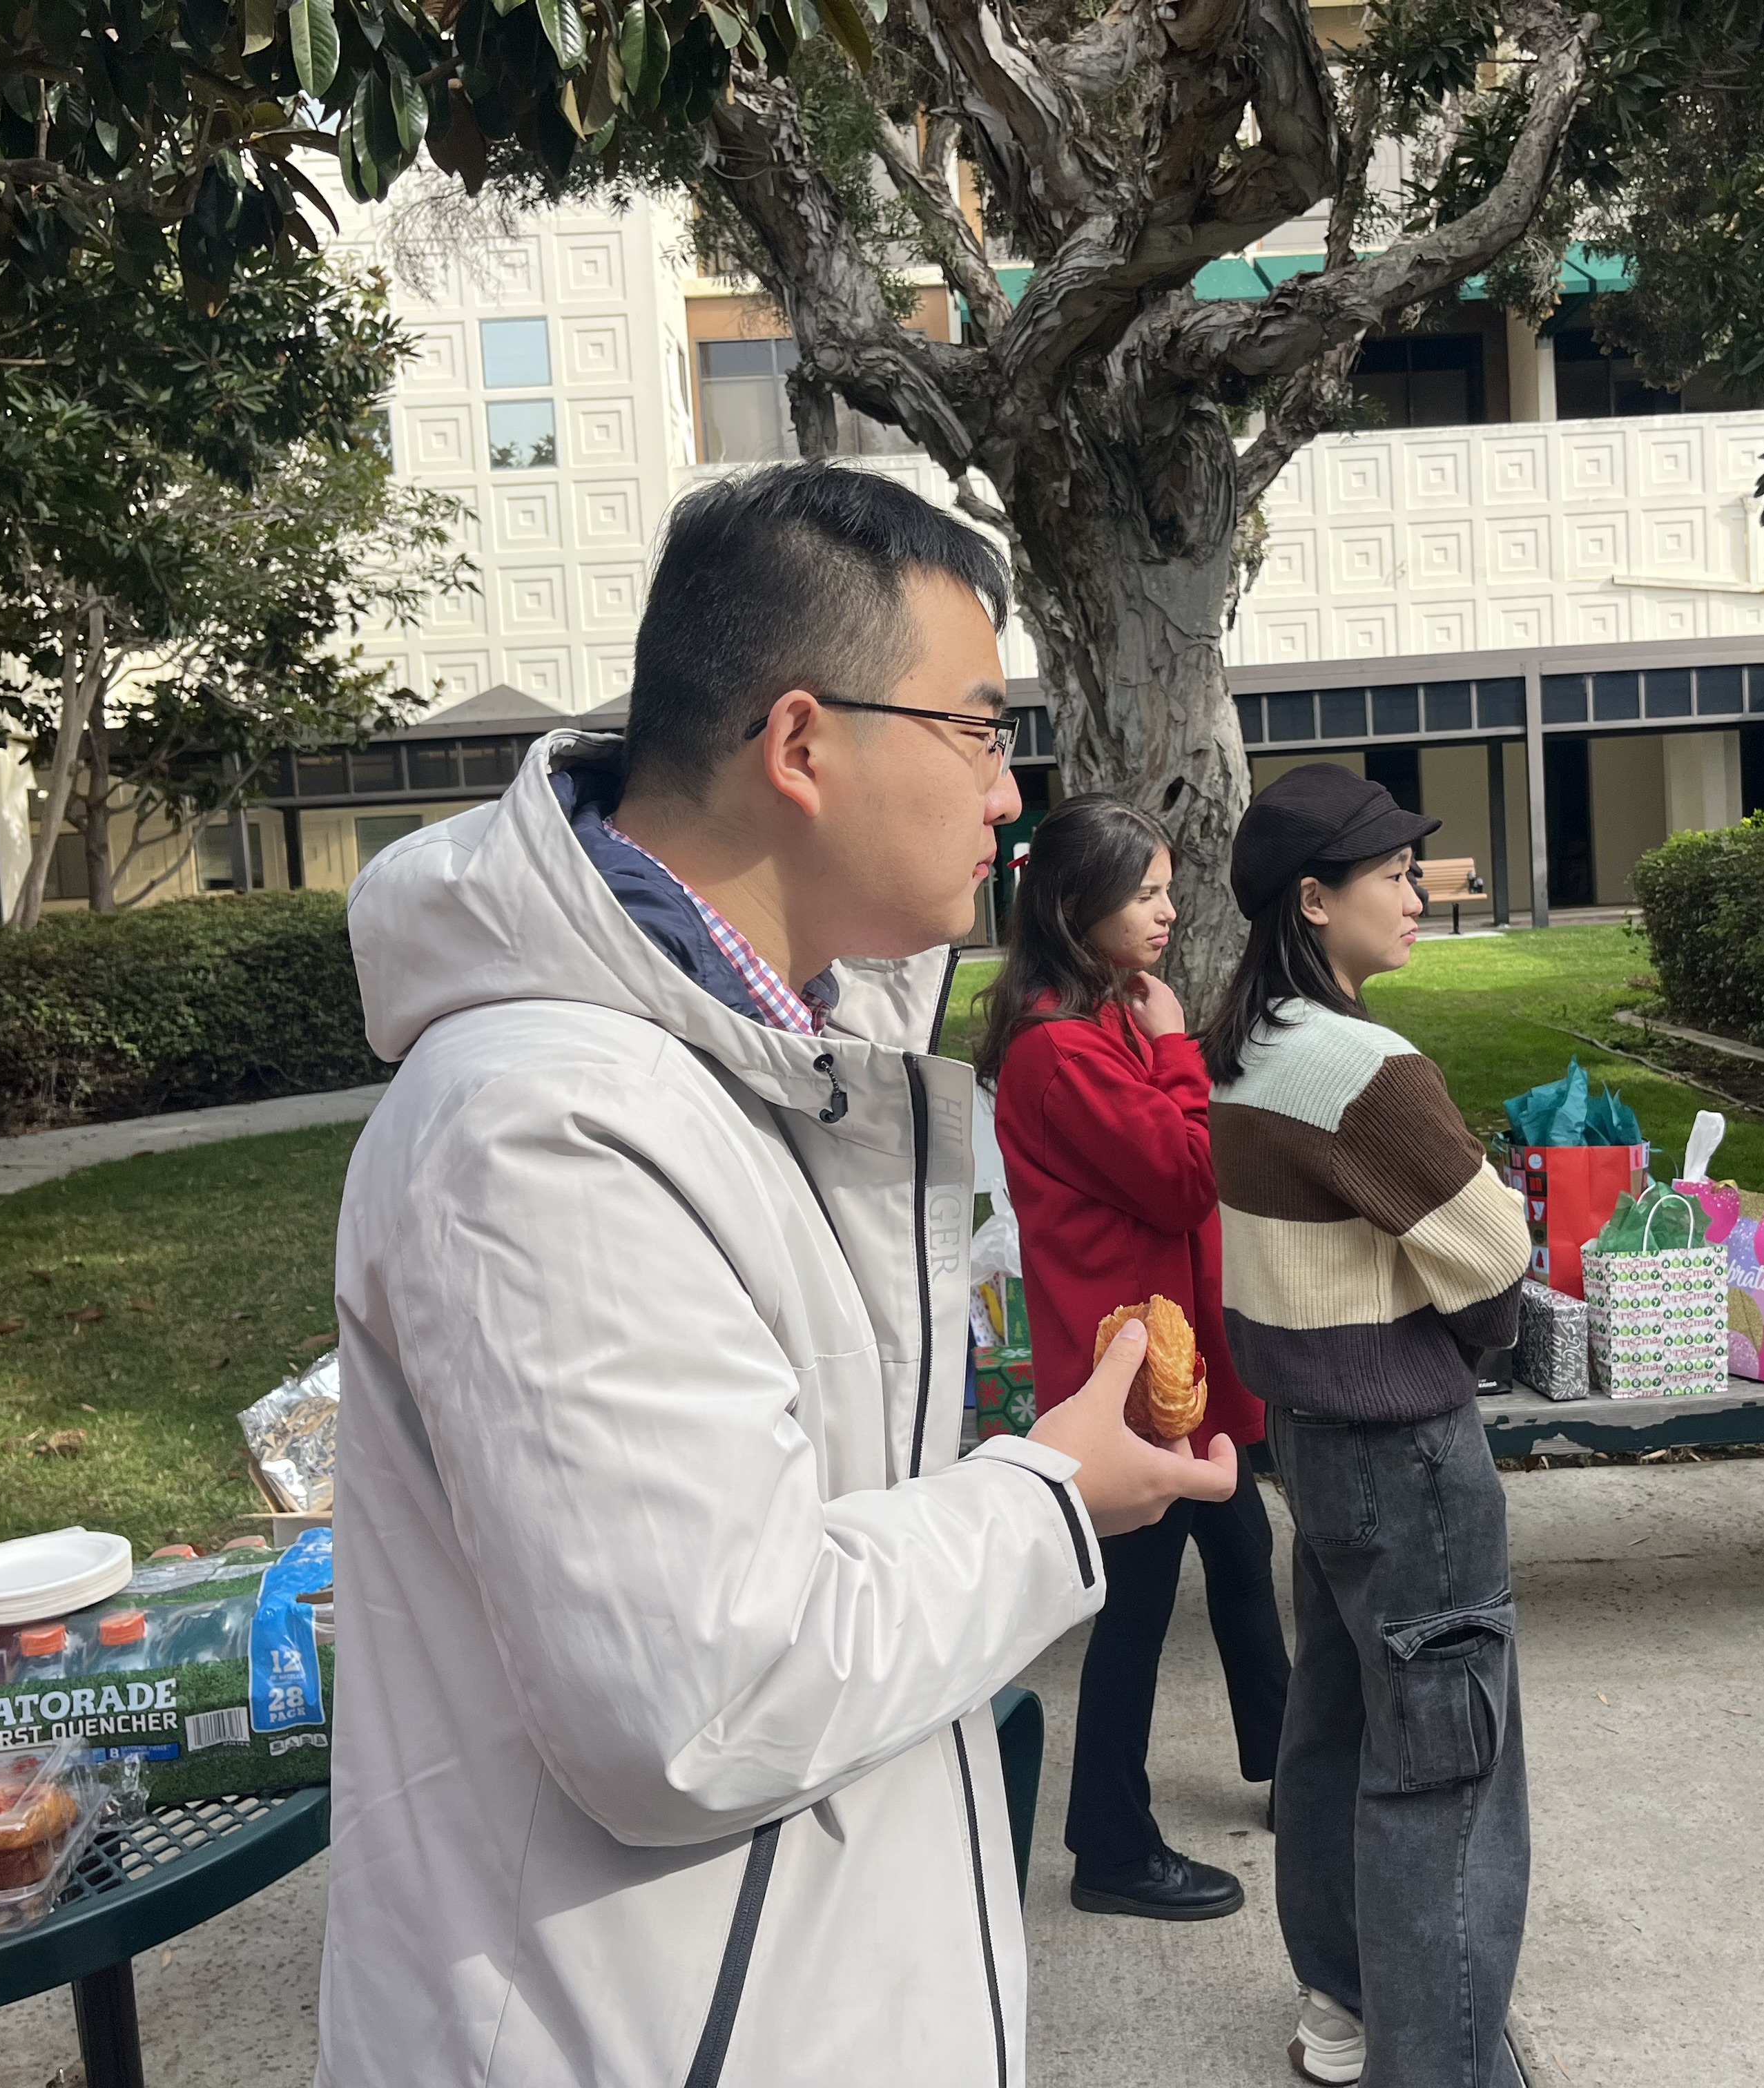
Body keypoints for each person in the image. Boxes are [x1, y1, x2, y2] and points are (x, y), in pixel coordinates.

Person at [317, 461, 1239, 2088]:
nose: (1009, 798)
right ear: (802, 745)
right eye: (976, 732)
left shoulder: (783, 1068)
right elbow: (704, 1699)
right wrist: (1048, 1501)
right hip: (648, 2036)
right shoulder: (548, 1127)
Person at [1203, 762, 1536, 2088]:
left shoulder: (1250, 1052)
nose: (1415, 895)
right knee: (1446, 1772)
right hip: (1407, 1453)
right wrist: (1477, 1328)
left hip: (1313, 1442)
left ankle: (1342, 2012)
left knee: (1335, 1734)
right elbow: (1496, 1260)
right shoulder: (1362, 1066)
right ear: (1312, 899)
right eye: (1391, 875)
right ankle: (1434, 2063)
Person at [973, 796, 1292, 1923]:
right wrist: (1176, 1048)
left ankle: (1288, 1768)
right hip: (1131, 1377)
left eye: (1167, 890)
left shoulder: (1097, 1019)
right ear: (1076, 907)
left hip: (1173, 1359)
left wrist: (1158, 1044)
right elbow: (1188, 1173)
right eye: (1146, 894)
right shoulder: (1064, 1051)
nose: (1169, 912)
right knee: (1141, 1603)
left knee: (1243, 1552)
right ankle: (1108, 1844)